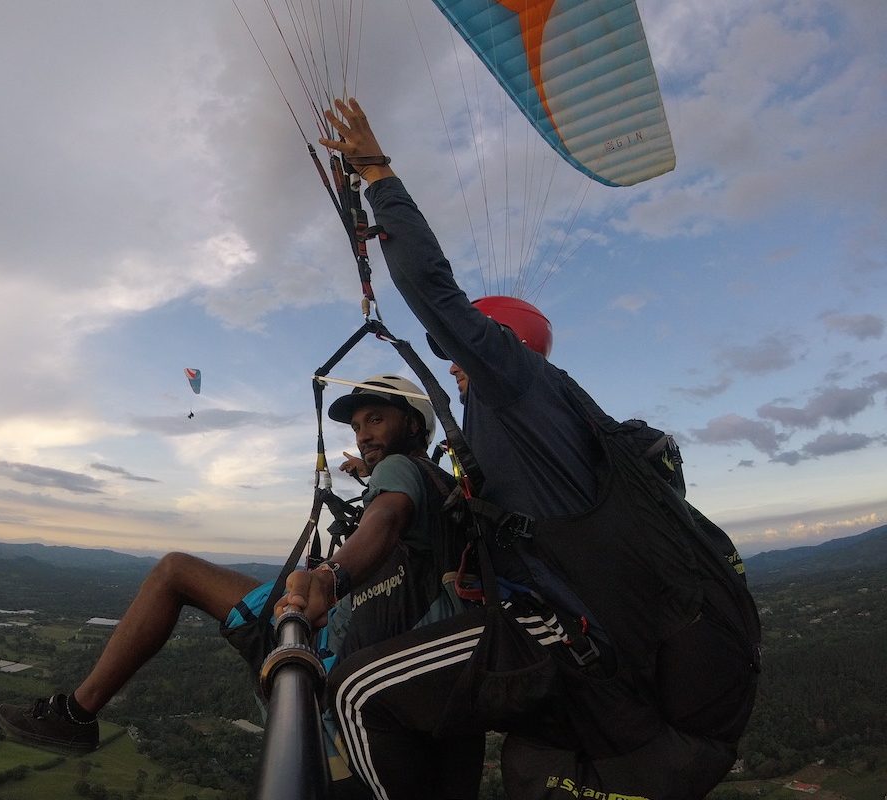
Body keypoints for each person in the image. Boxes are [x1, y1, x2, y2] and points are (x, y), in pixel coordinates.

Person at [313, 98, 758, 800]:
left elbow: (432, 290)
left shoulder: (511, 385)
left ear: (495, 344)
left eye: (461, 350)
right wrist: (380, 469)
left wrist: (377, 173)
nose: (452, 363)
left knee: (358, 692)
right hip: (590, 638)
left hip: (558, 632)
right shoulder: (537, 422)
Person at [0, 375, 475, 791]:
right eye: (355, 426)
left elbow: (386, 518)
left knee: (174, 572)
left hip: (332, 637)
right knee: (179, 572)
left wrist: (329, 578)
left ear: (413, 424)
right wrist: (362, 469)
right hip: (369, 633)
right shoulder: (434, 481)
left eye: (375, 420)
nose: (363, 434)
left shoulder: (398, 473)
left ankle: (76, 715)